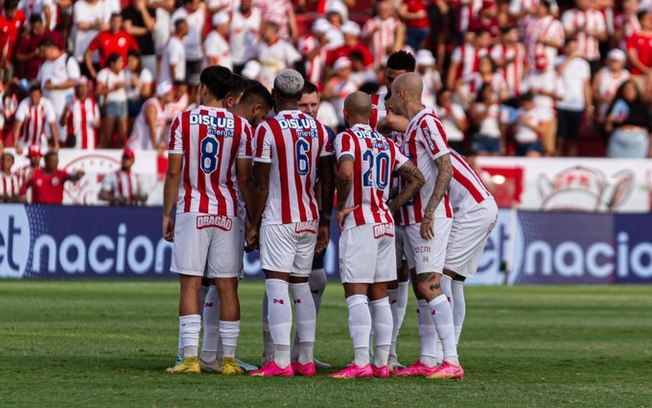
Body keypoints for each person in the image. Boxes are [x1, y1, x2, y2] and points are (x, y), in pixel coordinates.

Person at [163, 65, 255, 375]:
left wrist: (166, 212)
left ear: (203, 88)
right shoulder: (241, 127)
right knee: (228, 286)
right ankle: (228, 360)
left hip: (193, 209)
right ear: (229, 94)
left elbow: (174, 171)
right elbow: (245, 177)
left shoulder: (184, 120)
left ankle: (190, 360)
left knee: (190, 284)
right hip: (227, 211)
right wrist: (251, 217)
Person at [329, 92, 424, 379]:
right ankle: (381, 363)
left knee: (356, 294)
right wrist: (392, 204)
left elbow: (346, 173)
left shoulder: (346, 138)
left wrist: (344, 206)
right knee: (380, 296)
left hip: (360, 222)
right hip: (385, 223)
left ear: (346, 114)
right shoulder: (384, 142)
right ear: (369, 115)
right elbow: (417, 176)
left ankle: (360, 363)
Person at [247, 69, 334, 377]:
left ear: (274, 95)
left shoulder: (267, 130)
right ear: (300, 97)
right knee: (301, 286)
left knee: (277, 284)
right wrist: (325, 221)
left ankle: (281, 361)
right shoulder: (320, 130)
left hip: (279, 217)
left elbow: (260, 184)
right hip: (309, 217)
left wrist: (253, 223)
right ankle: (306, 360)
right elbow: (327, 179)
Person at [386, 72, 463, 380]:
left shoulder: (428, 123)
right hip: (408, 218)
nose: (389, 100)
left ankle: (452, 360)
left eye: (392, 94)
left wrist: (430, 211)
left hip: (425, 220)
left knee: (429, 285)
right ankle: (428, 359)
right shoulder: (411, 127)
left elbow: (446, 167)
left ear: (403, 95)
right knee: (420, 288)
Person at [370, 50, 416, 371]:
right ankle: (371, 352)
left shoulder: (422, 115)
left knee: (401, 280)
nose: (390, 85)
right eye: (388, 78)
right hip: (376, 206)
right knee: (375, 281)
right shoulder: (370, 106)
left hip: (406, 206)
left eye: (397, 80)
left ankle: (390, 351)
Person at [37, 35, 80, 143]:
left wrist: (55, 86)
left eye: (43, 51)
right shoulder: (43, 64)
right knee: (48, 137)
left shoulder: (67, 60)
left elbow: (74, 81)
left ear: (51, 48)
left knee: (63, 136)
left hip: (63, 105)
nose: (41, 54)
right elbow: (38, 81)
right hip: (47, 105)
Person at [555, 37, 591, 157]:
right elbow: (558, 72)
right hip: (561, 104)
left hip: (577, 105)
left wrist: (589, 104)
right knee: (559, 138)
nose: (573, 50)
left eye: (575, 47)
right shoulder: (558, 60)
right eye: (571, 47)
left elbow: (586, 85)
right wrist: (571, 58)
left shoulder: (583, 64)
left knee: (573, 139)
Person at [604, 80, 652, 158]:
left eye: (632, 89)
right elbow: (607, 129)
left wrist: (651, 147)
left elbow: (650, 128)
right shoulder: (617, 105)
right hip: (619, 140)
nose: (629, 91)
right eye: (626, 89)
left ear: (636, 91)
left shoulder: (643, 107)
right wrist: (609, 121)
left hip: (639, 141)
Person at [20, 150, 84, 204]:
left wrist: (78, 175)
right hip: (39, 208)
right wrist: (24, 197)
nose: (55, 163)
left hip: (56, 209)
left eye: (56, 161)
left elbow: (73, 178)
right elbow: (24, 186)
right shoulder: (35, 174)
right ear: (46, 162)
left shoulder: (61, 174)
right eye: (52, 161)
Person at [170, 0, 205, 95]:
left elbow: (202, 32)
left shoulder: (200, 13)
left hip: (197, 55)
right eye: (195, 2)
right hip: (183, 56)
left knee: (195, 84)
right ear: (188, 3)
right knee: (183, 86)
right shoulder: (178, 15)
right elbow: (173, 34)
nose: (198, 5)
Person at [13, 85, 59, 155]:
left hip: (42, 142)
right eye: (32, 96)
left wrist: (56, 144)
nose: (34, 99)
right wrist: (16, 144)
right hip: (26, 142)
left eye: (36, 96)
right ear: (29, 96)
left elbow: (52, 125)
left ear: (41, 96)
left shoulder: (47, 104)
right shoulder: (24, 104)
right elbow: (17, 126)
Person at [128, 81, 173, 152]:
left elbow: (163, 128)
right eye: (169, 93)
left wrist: (163, 143)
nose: (172, 94)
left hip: (148, 148)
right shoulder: (152, 105)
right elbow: (152, 128)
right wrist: (155, 147)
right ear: (162, 95)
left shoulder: (166, 107)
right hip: (137, 147)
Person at [255, 21, 302, 90]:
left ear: (274, 32)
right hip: (262, 80)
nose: (264, 32)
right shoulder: (261, 45)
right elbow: (256, 60)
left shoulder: (284, 45)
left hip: (277, 82)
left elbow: (297, 60)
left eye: (267, 30)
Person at [96, 53, 128, 148]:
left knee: (123, 135)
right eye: (119, 62)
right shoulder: (104, 73)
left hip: (123, 103)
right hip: (110, 104)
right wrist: (114, 88)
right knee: (107, 135)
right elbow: (97, 91)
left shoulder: (124, 72)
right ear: (112, 63)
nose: (122, 64)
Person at [361, 0, 405, 69]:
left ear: (390, 11)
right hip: (374, 61)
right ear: (378, 10)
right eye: (382, 10)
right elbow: (363, 40)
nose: (384, 12)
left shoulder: (396, 24)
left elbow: (401, 41)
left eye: (386, 10)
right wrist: (372, 32)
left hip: (390, 60)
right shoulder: (371, 22)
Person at [60, 76, 101, 149]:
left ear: (88, 88)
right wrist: (65, 110)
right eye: (80, 87)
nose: (83, 89)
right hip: (75, 144)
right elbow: (62, 123)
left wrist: (96, 123)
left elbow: (98, 122)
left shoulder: (93, 103)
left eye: (85, 87)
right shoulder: (71, 103)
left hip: (90, 144)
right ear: (76, 89)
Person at [122, 0, 158, 76]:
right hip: (133, 52)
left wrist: (143, 9)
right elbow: (128, 29)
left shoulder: (151, 10)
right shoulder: (127, 11)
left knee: (150, 77)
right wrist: (147, 31)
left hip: (148, 50)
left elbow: (150, 25)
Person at [229, 0, 261, 74]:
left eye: (247, 1)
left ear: (251, 2)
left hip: (250, 60)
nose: (244, 2)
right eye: (242, 1)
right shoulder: (233, 13)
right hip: (234, 58)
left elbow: (262, 34)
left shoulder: (258, 14)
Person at [13, 14, 47, 82]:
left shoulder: (53, 35)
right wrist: (33, 54)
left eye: (37, 27)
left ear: (42, 24)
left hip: (48, 75)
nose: (34, 30)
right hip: (31, 75)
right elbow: (18, 56)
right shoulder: (27, 38)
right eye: (32, 28)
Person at [159, 18, 188, 84]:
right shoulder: (175, 44)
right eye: (187, 26)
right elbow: (172, 65)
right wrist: (175, 84)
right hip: (171, 84)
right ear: (182, 28)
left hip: (171, 83)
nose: (188, 28)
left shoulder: (175, 42)